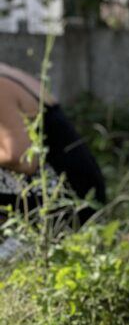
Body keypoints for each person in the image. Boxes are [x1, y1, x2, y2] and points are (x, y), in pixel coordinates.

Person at [0, 62, 106, 229]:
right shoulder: (9, 73)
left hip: (66, 203)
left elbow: (23, 159)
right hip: (84, 194)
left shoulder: (1, 86)